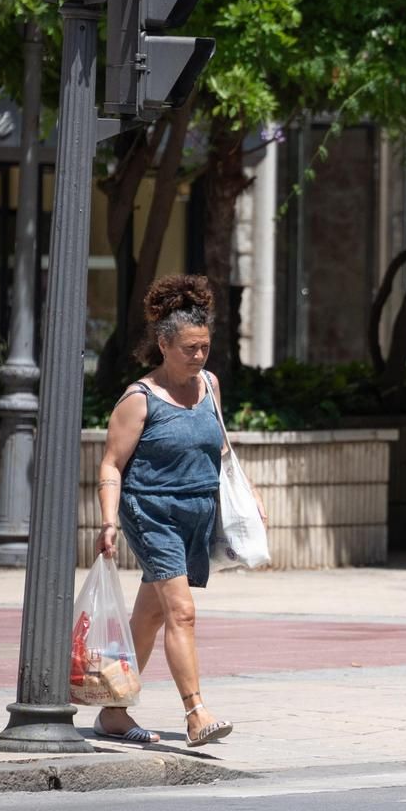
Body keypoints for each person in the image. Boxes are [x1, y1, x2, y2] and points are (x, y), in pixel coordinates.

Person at [94, 274, 258, 747]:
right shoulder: (138, 400)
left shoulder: (210, 385)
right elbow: (110, 464)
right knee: (181, 612)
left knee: (151, 616)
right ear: (164, 344)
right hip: (151, 513)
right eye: (190, 348)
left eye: (204, 347)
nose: (199, 356)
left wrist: (248, 490)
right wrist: (108, 521)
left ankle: (113, 710)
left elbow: (220, 445)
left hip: (197, 512)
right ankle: (196, 713)